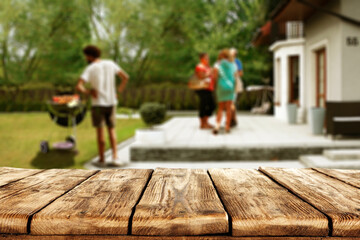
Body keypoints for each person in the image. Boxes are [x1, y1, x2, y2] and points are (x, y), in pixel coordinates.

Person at [76, 45, 129, 167]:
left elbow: (79, 86)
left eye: (86, 56)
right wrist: (118, 92)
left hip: (98, 104)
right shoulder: (110, 64)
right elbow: (125, 77)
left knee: (100, 132)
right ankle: (115, 157)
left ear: (89, 56)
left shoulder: (90, 68)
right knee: (111, 130)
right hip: (111, 102)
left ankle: (101, 159)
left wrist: (89, 92)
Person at [212, 49, 237, 134]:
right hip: (230, 87)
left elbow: (215, 77)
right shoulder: (233, 64)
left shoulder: (217, 64)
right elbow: (235, 77)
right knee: (229, 108)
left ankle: (217, 126)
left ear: (221, 55)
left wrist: (215, 86)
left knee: (220, 108)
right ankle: (227, 127)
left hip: (221, 87)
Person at [194, 52, 215, 129]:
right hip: (202, 88)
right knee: (203, 105)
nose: (208, 59)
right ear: (201, 59)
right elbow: (201, 76)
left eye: (208, 58)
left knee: (211, 106)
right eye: (206, 58)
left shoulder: (207, 67)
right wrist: (210, 73)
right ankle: (202, 124)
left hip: (209, 88)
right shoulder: (199, 66)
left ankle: (206, 122)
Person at [229, 48, 244, 127]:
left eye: (232, 53)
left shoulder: (237, 62)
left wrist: (235, 75)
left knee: (231, 102)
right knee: (230, 102)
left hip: (235, 84)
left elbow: (241, 73)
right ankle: (233, 119)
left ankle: (232, 119)